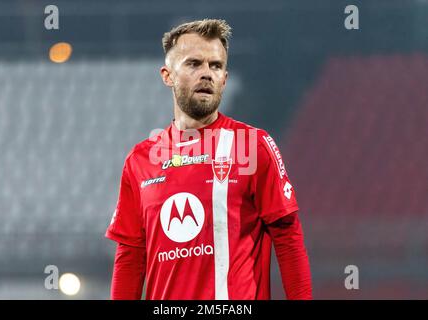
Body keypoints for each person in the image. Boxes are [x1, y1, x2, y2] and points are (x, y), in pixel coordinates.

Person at [105, 19, 312, 300]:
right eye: (194, 64)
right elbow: (129, 258)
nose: (207, 74)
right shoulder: (140, 160)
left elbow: (288, 239)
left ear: (224, 80)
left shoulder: (253, 145)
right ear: (168, 75)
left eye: (215, 66)